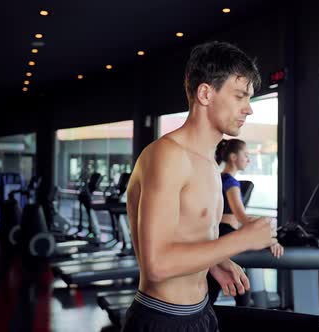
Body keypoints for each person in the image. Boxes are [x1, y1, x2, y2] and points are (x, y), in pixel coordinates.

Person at [123, 41, 277, 332]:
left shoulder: (207, 161)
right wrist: (242, 239)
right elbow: (156, 265)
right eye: (240, 96)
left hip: (201, 313)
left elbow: (188, 232)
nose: (249, 110)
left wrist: (218, 260)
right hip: (163, 320)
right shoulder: (167, 156)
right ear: (206, 93)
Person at [207, 138, 284, 306]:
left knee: (213, 291)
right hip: (226, 232)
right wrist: (270, 238)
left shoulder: (218, 178)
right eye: (246, 155)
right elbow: (242, 217)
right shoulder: (230, 182)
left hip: (217, 234)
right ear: (234, 157)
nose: (248, 159)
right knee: (242, 292)